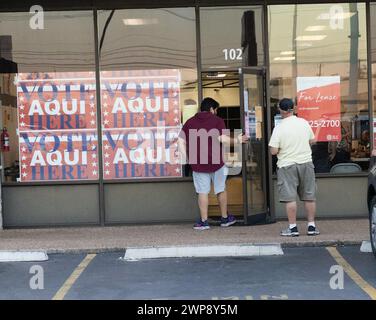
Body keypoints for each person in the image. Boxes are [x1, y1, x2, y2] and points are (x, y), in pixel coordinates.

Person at [179, 97, 248, 230]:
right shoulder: (217, 121)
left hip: (198, 163)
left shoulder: (189, 122)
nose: (216, 112)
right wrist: (238, 140)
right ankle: (224, 219)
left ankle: (204, 222)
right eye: (216, 109)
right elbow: (223, 139)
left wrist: (187, 158)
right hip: (217, 163)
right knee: (220, 189)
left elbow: (180, 141)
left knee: (202, 192)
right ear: (211, 109)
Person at [268, 98, 319, 236]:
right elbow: (312, 140)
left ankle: (293, 228)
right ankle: (311, 226)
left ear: (281, 110)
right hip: (306, 163)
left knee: (290, 198)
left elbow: (273, 151)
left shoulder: (279, 127)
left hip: (287, 165)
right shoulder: (303, 123)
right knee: (309, 196)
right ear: (293, 108)